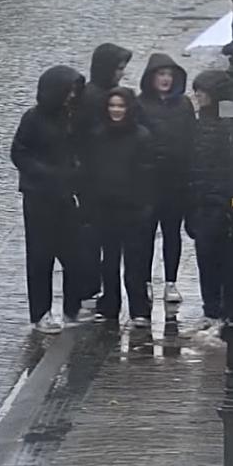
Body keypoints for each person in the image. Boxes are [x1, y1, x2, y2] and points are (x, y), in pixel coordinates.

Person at [10, 66, 88, 334]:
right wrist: (46, 174)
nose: (71, 97)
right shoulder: (33, 119)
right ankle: (41, 312)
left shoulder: (72, 116)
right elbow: (19, 153)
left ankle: (71, 308)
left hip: (68, 195)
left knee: (74, 253)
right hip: (39, 197)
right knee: (41, 256)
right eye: (67, 91)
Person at [84, 87, 157, 326]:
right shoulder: (96, 135)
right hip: (105, 207)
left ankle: (139, 308)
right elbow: (90, 171)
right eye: (112, 106)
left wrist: (144, 203)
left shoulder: (142, 136)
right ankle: (110, 305)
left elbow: (148, 174)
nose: (116, 110)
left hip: (133, 208)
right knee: (109, 260)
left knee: (134, 261)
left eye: (121, 106)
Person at [74, 43, 133, 310]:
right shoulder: (94, 98)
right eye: (118, 69)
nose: (121, 74)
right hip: (95, 183)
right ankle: (97, 288)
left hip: (102, 183)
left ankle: (100, 291)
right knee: (100, 241)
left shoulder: (100, 94)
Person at [136, 53, 194, 307]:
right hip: (148, 182)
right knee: (145, 233)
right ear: (151, 77)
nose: (166, 80)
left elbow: (192, 138)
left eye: (169, 75)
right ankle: (145, 281)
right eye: (161, 74)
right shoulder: (139, 105)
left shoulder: (183, 105)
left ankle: (171, 281)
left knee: (172, 232)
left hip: (176, 181)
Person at [183, 70, 231, 338]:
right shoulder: (199, 123)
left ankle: (222, 312)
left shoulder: (226, 126)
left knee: (218, 258)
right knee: (205, 257)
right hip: (200, 200)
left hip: (218, 201)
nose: (197, 96)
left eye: (202, 91)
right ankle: (210, 310)